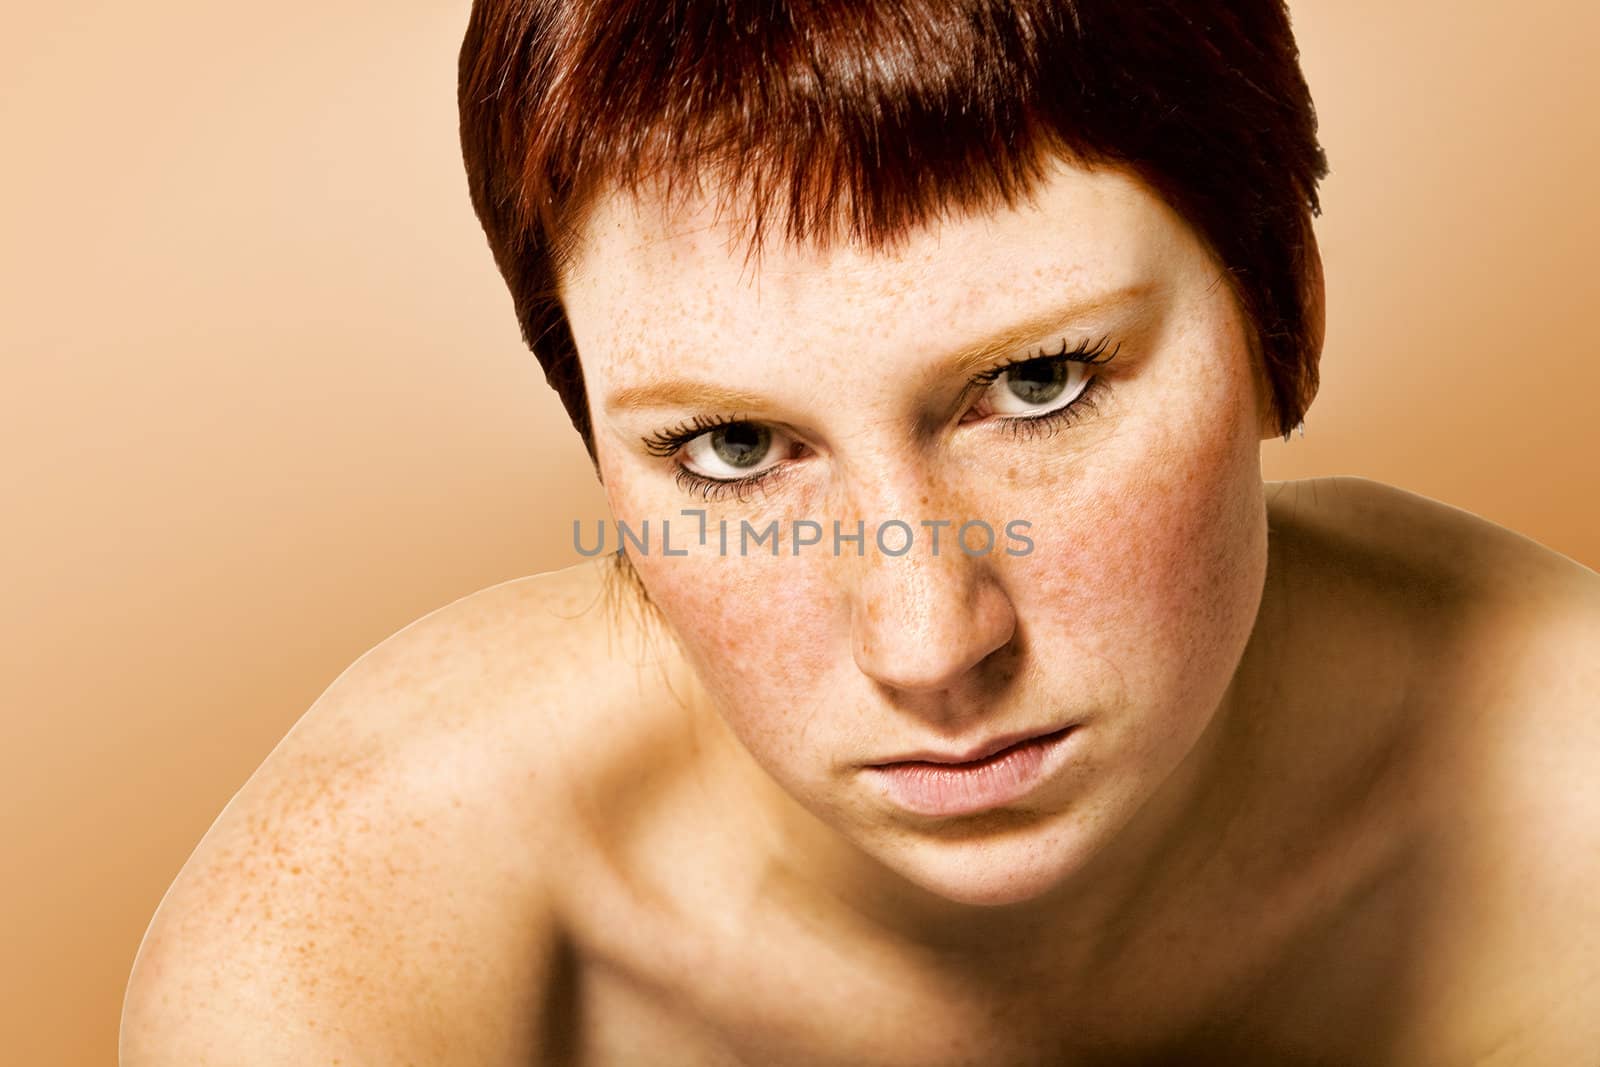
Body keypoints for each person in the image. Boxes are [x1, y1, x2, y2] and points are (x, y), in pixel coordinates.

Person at [122, 1, 1600, 1063]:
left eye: (1039, 384)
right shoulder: (342, 956)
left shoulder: (1569, 803)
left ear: (1288, 319)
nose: (929, 644)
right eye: (735, 448)